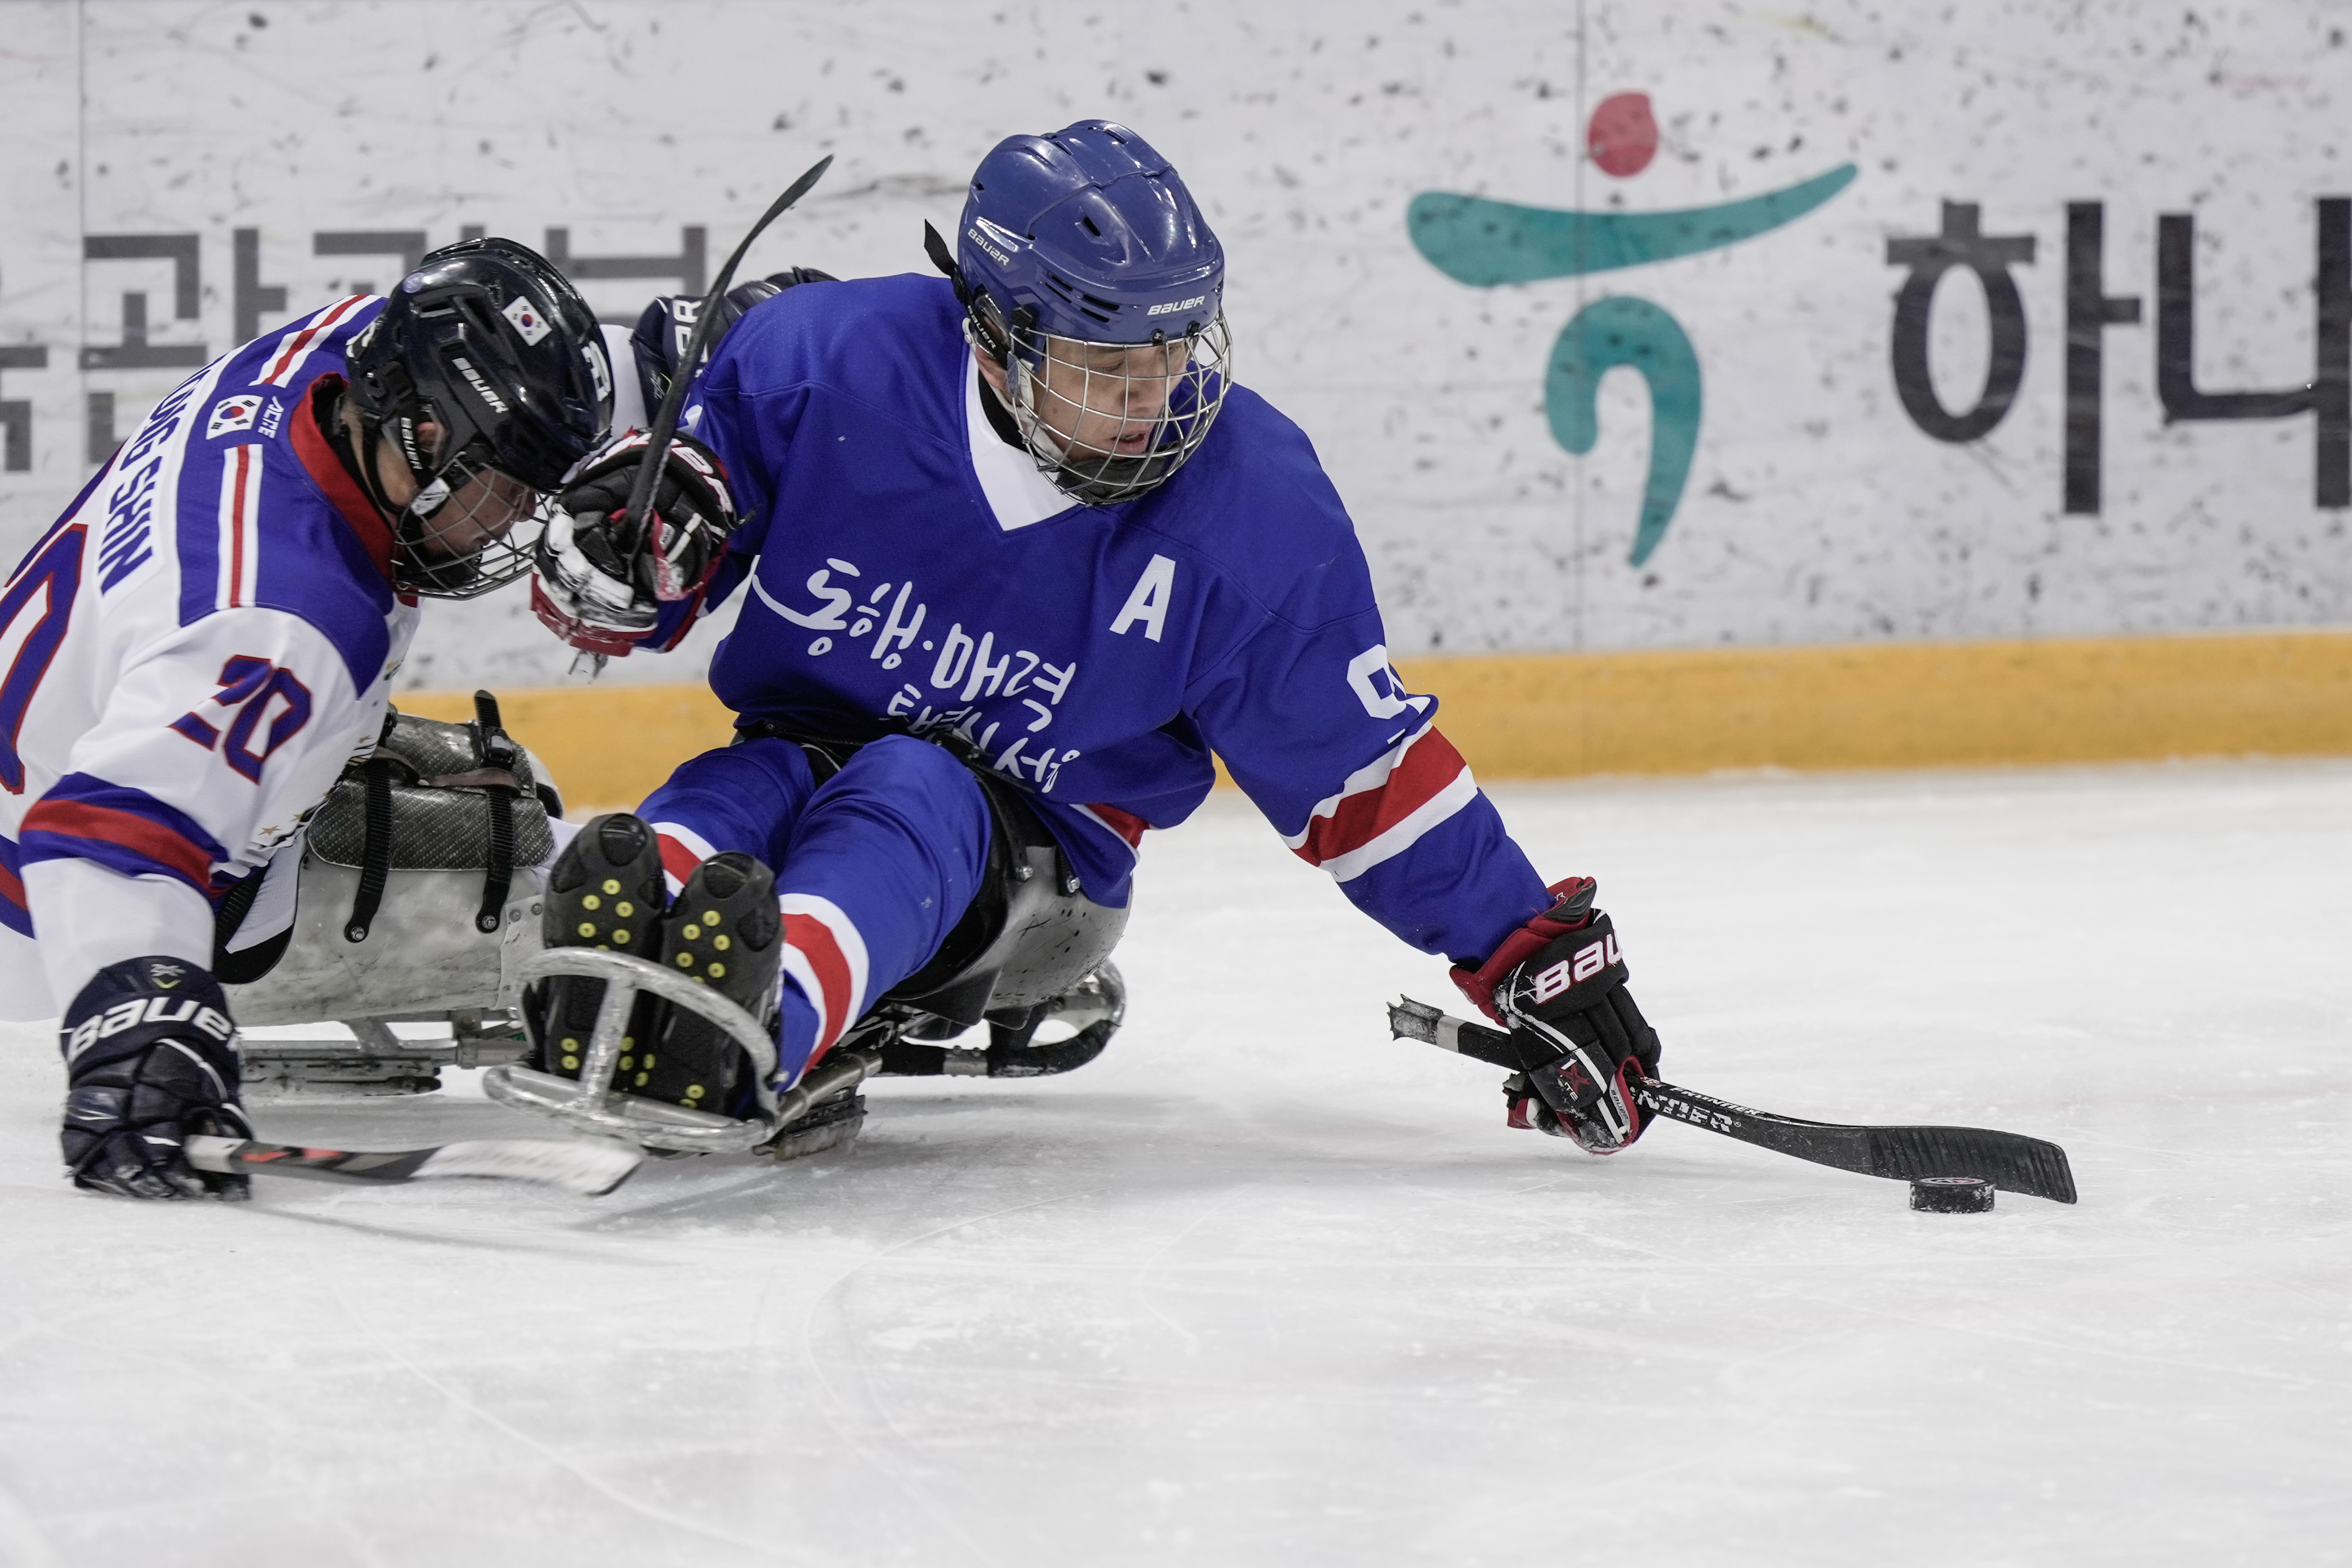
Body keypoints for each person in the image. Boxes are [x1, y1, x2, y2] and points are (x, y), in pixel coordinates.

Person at [527, 120, 1662, 1152]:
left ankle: (752, 1028)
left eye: (1174, 352)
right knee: (732, 794)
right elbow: (665, 562)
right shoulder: (821, 362)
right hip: (804, 736)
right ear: (991, 337)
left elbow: (1359, 772)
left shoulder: (1253, 505)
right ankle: (605, 981)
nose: (1157, 395)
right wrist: (623, 563)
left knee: (912, 791)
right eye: (1109, 364)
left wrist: (1524, 953)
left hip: (1041, 855)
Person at [3, 237, 613, 1199]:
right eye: (507, 487)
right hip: (54, 918)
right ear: (420, 438)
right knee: (544, 881)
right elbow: (99, 836)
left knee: (491, 786)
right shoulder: (283, 630)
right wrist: (136, 1020)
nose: (516, 521)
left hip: (93, 720)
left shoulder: (330, 351)